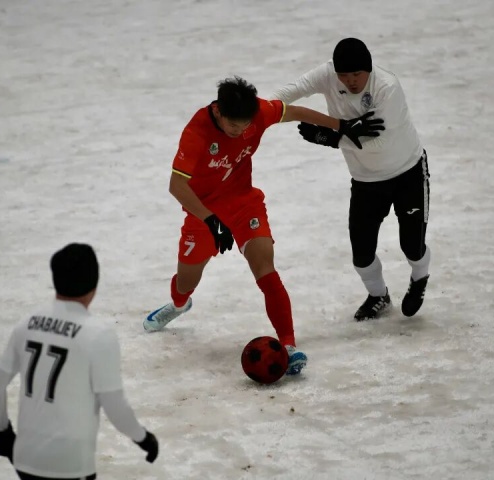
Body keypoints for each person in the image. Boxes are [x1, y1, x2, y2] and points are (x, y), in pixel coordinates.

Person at [143, 76, 383, 375]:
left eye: (245, 125)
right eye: (233, 126)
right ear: (217, 111)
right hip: (202, 211)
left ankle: (289, 346)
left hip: (245, 204)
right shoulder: (197, 132)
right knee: (185, 283)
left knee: (266, 269)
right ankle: (179, 304)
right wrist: (209, 219)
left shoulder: (258, 112)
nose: (240, 131)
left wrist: (342, 126)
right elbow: (176, 185)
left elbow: (294, 112)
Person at [272, 37, 431, 321]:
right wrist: (255, 111)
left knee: (412, 246)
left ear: (368, 70)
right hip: (365, 180)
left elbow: (380, 143)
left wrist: (330, 138)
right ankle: (378, 296)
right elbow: (291, 91)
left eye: (357, 74)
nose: (350, 81)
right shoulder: (328, 74)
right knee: (361, 253)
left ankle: (419, 277)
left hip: (407, 172)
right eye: (344, 75)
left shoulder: (387, 88)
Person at [0, 243, 158, 480]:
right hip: (70, 463)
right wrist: (143, 438)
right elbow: (113, 404)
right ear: (95, 284)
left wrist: (2, 431)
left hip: (25, 458)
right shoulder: (98, 335)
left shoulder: (27, 324)